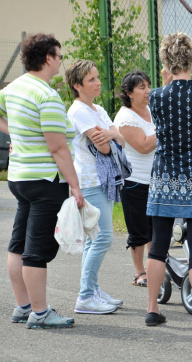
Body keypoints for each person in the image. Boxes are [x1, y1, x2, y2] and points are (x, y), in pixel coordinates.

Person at [0, 33, 84, 329]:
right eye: (59, 57)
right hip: (46, 180)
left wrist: (18, 137)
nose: (61, 62)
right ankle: (40, 312)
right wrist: (74, 185)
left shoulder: (14, 89)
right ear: (48, 58)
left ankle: (24, 306)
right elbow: (58, 148)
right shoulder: (45, 95)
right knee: (35, 251)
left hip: (19, 176)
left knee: (18, 245)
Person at [146, 32, 192, 331]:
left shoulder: (155, 96)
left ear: (165, 61)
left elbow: (159, 127)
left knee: (159, 245)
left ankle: (152, 309)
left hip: (165, 175)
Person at [65, 59, 126, 314]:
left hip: (104, 180)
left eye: (98, 77)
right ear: (78, 85)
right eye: (91, 79)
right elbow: (102, 146)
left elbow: (120, 138)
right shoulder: (79, 110)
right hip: (90, 181)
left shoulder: (97, 109)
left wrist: (110, 134)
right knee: (102, 238)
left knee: (94, 240)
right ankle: (86, 296)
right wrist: (111, 136)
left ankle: (92, 290)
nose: (98, 82)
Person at [114, 71, 155, 287]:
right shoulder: (125, 118)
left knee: (155, 228)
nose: (147, 90)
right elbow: (144, 146)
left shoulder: (152, 111)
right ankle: (139, 273)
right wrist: (165, 129)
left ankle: (154, 268)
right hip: (134, 181)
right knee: (139, 230)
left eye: (148, 85)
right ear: (129, 93)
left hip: (156, 180)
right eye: (141, 87)